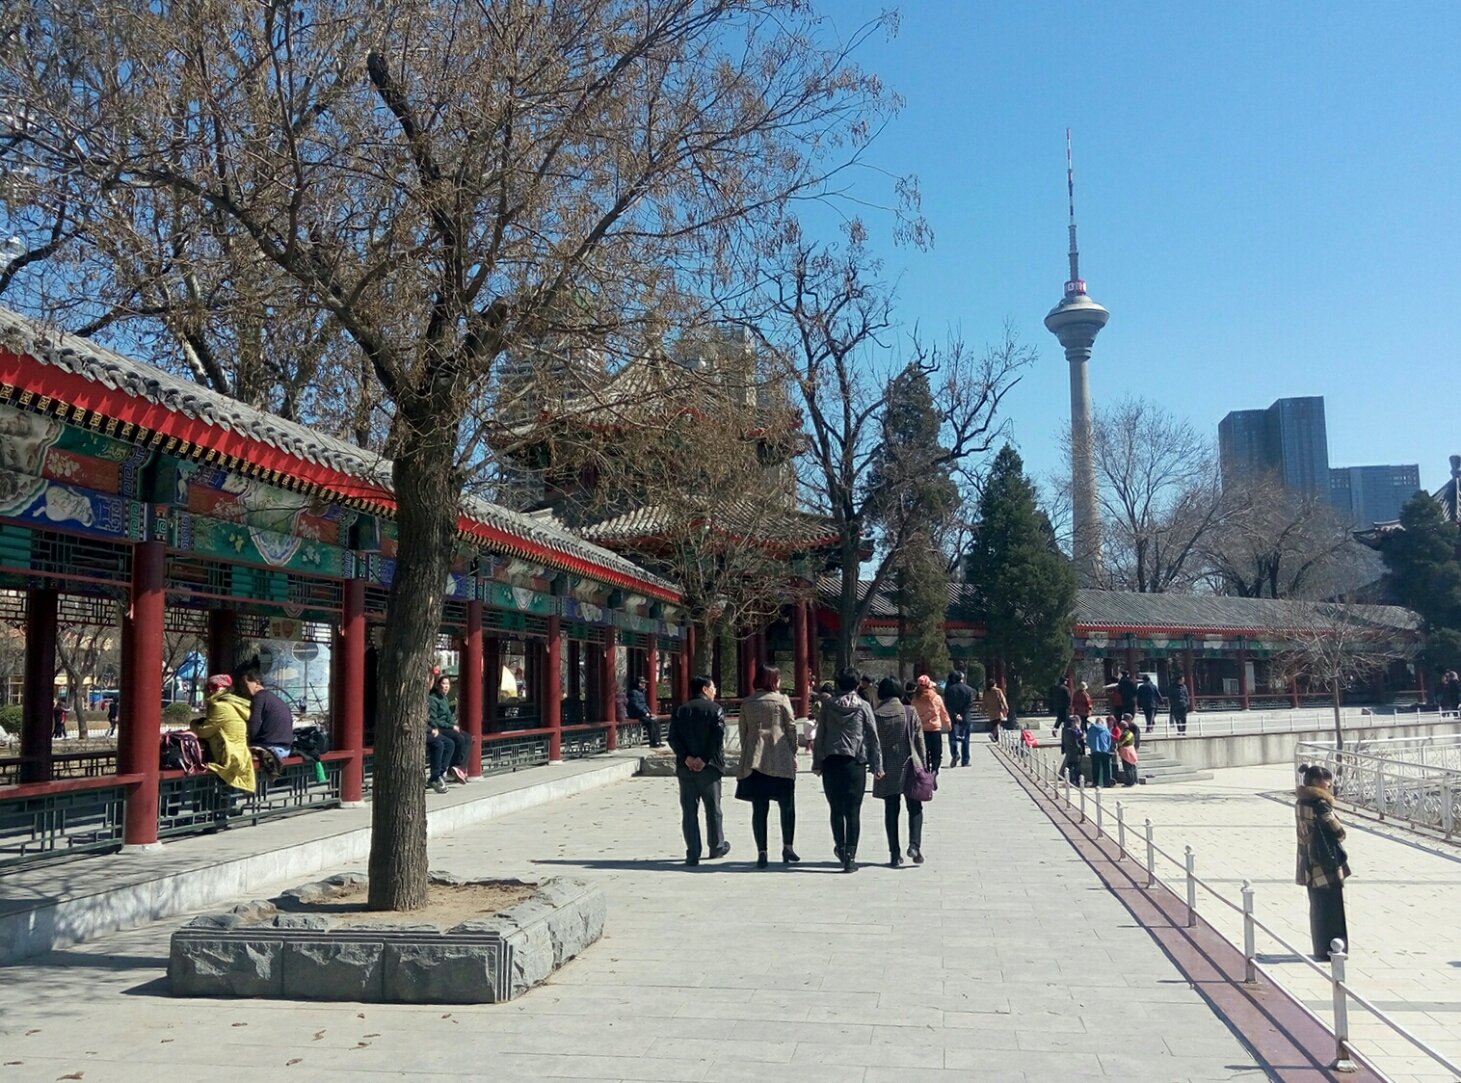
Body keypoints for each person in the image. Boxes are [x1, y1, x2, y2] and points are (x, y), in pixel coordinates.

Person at [812, 666, 883, 873]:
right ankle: (850, 857)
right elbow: (873, 736)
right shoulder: (863, 706)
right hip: (855, 763)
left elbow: (821, 735)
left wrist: (817, 762)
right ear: (857, 684)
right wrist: (877, 765)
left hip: (831, 761)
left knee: (835, 809)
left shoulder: (828, 705)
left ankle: (841, 848)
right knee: (853, 811)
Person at [736, 665, 800, 868]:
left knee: (759, 808)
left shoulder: (747, 702)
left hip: (755, 759)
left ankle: (762, 851)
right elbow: (791, 727)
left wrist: (748, 750)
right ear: (773, 680)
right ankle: (788, 847)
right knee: (787, 805)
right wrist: (793, 751)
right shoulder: (781, 700)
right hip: (779, 756)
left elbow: (743, 731)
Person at [669, 675, 729, 866]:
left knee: (689, 810)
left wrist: (686, 757)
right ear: (704, 689)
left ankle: (693, 851)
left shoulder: (681, 710)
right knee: (713, 809)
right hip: (709, 768)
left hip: (686, 768)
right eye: (713, 687)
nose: (715, 691)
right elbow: (717, 737)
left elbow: (673, 738)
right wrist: (704, 759)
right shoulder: (715, 709)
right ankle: (716, 846)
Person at [1296, 763, 1350, 961]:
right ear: (1316, 781)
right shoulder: (1320, 804)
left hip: (1308, 861)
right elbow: (1338, 831)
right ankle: (1334, 949)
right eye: (1326, 780)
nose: (1329, 783)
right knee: (1332, 908)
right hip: (1325, 863)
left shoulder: (1301, 802)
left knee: (1317, 907)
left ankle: (1320, 948)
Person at [872, 676, 926, 867]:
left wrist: (875, 766)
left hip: (887, 767)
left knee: (891, 809)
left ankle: (894, 854)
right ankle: (914, 845)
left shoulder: (876, 714)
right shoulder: (909, 712)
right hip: (910, 764)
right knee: (915, 807)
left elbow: (872, 743)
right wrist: (923, 766)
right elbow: (919, 740)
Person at [191, 674, 256, 793]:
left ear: (215, 688)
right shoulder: (233, 704)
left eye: (208, 688)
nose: (206, 691)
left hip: (226, 756)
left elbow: (204, 731)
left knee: (216, 790)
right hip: (238, 755)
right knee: (228, 792)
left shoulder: (220, 706)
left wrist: (193, 724)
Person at [238, 666, 294, 764]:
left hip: (270, 748)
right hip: (285, 749)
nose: (243, 690)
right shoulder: (275, 699)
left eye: (245, 685)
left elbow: (254, 725)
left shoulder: (259, 697)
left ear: (257, 682)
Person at [427, 674, 471, 783]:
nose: (446, 686)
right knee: (458, 738)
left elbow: (448, 716)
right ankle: (453, 766)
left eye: (448, 684)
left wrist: (453, 724)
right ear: (438, 685)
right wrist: (451, 726)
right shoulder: (433, 699)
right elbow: (434, 719)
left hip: (447, 726)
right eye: (444, 684)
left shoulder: (445, 698)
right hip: (438, 727)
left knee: (467, 737)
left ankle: (460, 767)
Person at [910, 675, 950, 773]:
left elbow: (912, 713)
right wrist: (947, 723)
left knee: (924, 753)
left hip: (921, 729)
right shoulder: (936, 698)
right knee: (936, 753)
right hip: (934, 728)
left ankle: (926, 771)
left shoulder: (915, 699)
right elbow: (943, 712)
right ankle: (935, 770)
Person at [943, 670, 974, 768]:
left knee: (952, 736)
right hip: (965, 716)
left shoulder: (949, 690)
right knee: (965, 738)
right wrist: (962, 714)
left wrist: (955, 714)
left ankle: (955, 754)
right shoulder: (968, 689)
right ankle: (965, 760)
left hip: (952, 716)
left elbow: (947, 704)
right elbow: (969, 705)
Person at [626, 676, 661, 748]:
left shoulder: (641, 692)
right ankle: (653, 742)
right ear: (639, 684)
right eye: (643, 683)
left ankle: (658, 741)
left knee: (656, 721)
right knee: (650, 722)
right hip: (635, 713)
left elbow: (644, 705)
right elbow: (635, 705)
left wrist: (650, 713)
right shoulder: (633, 692)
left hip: (642, 713)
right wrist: (645, 713)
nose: (644, 684)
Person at [1086, 715, 1114, 788]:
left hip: (1095, 750)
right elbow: (1109, 740)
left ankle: (1095, 783)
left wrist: (1092, 747)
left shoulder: (1091, 729)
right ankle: (1106, 782)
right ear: (1102, 722)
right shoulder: (1106, 729)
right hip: (1105, 750)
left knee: (1095, 768)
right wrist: (1107, 747)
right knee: (1106, 768)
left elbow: (1088, 739)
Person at [1058, 715, 1085, 785]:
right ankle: (1076, 780)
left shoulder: (1065, 730)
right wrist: (1079, 729)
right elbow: (1080, 736)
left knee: (1070, 764)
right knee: (1076, 766)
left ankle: (1069, 779)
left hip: (1068, 750)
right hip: (1075, 750)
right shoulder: (1073, 731)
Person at [981, 678, 1008, 743]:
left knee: (994, 723)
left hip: (990, 709)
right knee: (998, 723)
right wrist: (1006, 707)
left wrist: (983, 710)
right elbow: (1003, 699)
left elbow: (984, 702)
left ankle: (996, 738)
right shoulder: (998, 691)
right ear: (994, 684)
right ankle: (993, 734)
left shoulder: (986, 691)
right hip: (997, 708)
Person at [1116, 715, 1139, 786]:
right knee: (1132, 766)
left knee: (1127, 767)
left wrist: (1118, 744)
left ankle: (1130, 782)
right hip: (1131, 750)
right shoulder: (1130, 733)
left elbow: (1121, 742)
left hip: (1126, 751)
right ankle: (1135, 781)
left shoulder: (1125, 734)